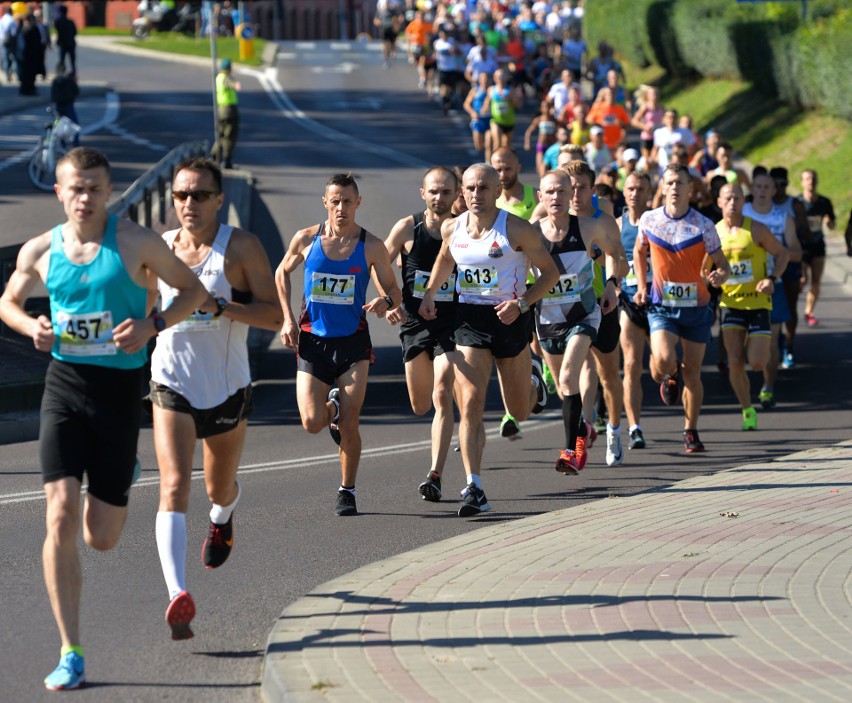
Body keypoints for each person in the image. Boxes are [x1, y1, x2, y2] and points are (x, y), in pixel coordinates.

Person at [0, 147, 206, 690]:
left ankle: (122, 474)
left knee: (102, 537)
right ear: (59, 192)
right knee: (60, 513)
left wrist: (152, 324)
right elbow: (8, 301)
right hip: (65, 388)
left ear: (108, 191)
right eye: (76, 187)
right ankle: (71, 650)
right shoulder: (42, 250)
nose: (85, 197)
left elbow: (195, 290)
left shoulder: (135, 242)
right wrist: (30, 328)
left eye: (95, 188)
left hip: (118, 394)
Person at [150, 158, 281, 640]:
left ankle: (222, 518)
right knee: (173, 484)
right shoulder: (159, 249)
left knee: (217, 489)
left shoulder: (240, 248)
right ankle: (177, 594)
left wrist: (221, 305)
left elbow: (273, 318)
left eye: (201, 195)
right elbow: (140, 309)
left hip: (226, 385)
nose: (190, 204)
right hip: (171, 381)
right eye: (182, 195)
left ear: (219, 200)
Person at [419, 163, 558, 516]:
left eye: (483, 188)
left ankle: (532, 382)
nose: (476, 195)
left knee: (518, 411)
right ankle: (474, 485)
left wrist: (523, 302)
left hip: (510, 318)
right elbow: (444, 260)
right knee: (470, 406)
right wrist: (430, 294)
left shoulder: (516, 228)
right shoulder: (453, 227)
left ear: (497, 191)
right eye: (470, 188)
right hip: (470, 322)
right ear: (461, 193)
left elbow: (551, 274)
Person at [275, 174, 402, 516]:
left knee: (351, 421)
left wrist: (384, 302)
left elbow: (393, 291)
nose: (341, 208)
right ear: (325, 202)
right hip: (313, 342)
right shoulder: (306, 238)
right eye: (335, 201)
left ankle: (347, 490)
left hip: (353, 344)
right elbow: (280, 273)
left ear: (358, 202)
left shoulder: (372, 246)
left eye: (348, 201)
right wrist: (287, 319)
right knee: (312, 423)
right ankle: (330, 409)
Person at [633, 162, 731, 453]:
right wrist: (641, 285)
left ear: (690, 189)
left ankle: (690, 430)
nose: (675, 188)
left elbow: (723, 266)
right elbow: (639, 252)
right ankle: (669, 373)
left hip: (697, 308)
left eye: (680, 183)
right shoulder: (650, 221)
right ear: (663, 187)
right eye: (670, 182)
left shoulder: (704, 225)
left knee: (694, 372)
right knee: (662, 359)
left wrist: (719, 276)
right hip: (663, 305)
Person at [532, 169, 622, 473]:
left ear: (572, 194)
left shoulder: (588, 227)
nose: (556, 197)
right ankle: (583, 426)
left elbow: (616, 255)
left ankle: (571, 450)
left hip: (584, 315)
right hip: (547, 319)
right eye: (550, 192)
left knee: (570, 376)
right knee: (562, 386)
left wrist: (610, 283)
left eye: (562, 191)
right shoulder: (530, 234)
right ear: (540, 197)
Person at [384, 167, 460, 502]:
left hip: (453, 323)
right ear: (423, 193)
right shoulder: (407, 227)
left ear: (456, 194)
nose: (439, 198)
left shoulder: (463, 228)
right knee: (419, 404)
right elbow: (379, 263)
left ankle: (435, 475)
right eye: (434, 192)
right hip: (415, 323)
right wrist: (391, 299)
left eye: (446, 192)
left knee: (442, 394)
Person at [563, 159, 628, 466]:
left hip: (601, 305)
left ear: (592, 189)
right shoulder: (550, 218)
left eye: (582, 188)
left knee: (607, 374)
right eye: (570, 187)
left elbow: (621, 260)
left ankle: (614, 429)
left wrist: (612, 283)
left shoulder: (602, 221)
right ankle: (580, 433)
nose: (575, 194)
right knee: (571, 376)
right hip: (565, 309)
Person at [716, 183, 790, 431]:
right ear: (719, 202)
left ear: (743, 202)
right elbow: (704, 267)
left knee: (757, 362)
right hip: (730, 304)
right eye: (728, 198)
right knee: (735, 359)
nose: (733, 202)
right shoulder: (713, 233)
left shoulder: (756, 229)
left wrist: (772, 279)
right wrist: (710, 278)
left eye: (737, 198)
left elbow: (783, 254)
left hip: (758, 302)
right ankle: (747, 408)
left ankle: (761, 374)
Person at [742, 172, 801, 409]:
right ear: (752, 189)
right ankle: (741, 381)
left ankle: (768, 386)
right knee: (746, 339)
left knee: (772, 339)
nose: (763, 190)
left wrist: (777, 251)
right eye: (758, 186)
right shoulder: (743, 212)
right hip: (743, 284)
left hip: (771, 283)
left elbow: (796, 252)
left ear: (774, 191)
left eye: (767, 186)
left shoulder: (783, 218)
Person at [617, 171, 653, 449]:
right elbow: (608, 259)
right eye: (630, 188)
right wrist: (614, 286)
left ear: (649, 193)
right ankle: (635, 427)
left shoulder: (658, 222)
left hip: (659, 301)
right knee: (630, 364)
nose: (634, 194)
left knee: (660, 366)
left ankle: (666, 374)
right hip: (628, 301)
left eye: (640, 189)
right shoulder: (617, 226)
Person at [769, 166, 808, 367]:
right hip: (766, 266)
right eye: (775, 184)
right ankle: (773, 343)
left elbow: (806, 235)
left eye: (783, 184)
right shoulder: (760, 205)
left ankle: (789, 345)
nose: (779, 188)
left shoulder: (795, 205)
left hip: (790, 263)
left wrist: (804, 268)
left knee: (791, 307)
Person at [798, 169, 836, 327]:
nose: (810, 182)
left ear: (817, 181)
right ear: (802, 182)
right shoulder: (797, 203)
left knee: (816, 281)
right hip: (802, 247)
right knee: (802, 279)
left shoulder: (824, 202)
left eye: (813, 179)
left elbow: (833, 224)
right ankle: (793, 301)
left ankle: (809, 312)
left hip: (818, 245)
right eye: (807, 179)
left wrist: (829, 223)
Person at [484, 67, 523, 151]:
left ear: (506, 78)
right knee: (497, 143)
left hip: (509, 121)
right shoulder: (491, 90)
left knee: (506, 147)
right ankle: (493, 163)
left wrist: (512, 100)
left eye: (502, 77)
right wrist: (484, 109)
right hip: (496, 120)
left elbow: (519, 105)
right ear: (495, 78)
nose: (500, 79)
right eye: (498, 77)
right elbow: (487, 101)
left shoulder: (510, 90)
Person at [213, 57, 239, 170]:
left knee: (221, 135)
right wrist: (235, 85)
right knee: (229, 136)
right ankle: (227, 160)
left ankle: (214, 155)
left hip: (221, 110)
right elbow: (229, 84)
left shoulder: (218, 77)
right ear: (228, 68)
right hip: (229, 110)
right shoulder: (226, 78)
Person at [523, 99, 558, 177]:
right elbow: (529, 132)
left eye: (548, 107)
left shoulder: (554, 120)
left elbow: (561, 129)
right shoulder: (538, 119)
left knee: (552, 166)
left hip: (551, 146)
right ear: (541, 108)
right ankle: (542, 180)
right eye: (544, 107)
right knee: (540, 166)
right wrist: (527, 143)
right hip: (542, 145)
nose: (546, 109)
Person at [463, 71, 492, 160]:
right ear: (479, 80)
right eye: (483, 79)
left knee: (488, 143)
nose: (485, 81)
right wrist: (473, 113)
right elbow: (466, 104)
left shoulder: (492, 90)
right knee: (478, 146)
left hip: (490, 119)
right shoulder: (475, 90)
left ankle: (488, 163)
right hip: (478, 120)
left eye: (487, 79)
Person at [631, 85, 664, 162]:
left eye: (656, 94)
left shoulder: (661, 107)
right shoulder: (645, 107)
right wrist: (645, 127)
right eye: (652, 94)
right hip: (647, 137)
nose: (654, 96)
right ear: (648, 96)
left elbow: (665, 120)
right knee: (648, 161)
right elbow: (634, 121)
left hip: (658, 138)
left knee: (658, 161)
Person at [51, 63, 80, 147]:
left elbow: (53, 95)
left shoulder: (55, 81)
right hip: (68, 105)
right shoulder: (69, 80)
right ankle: (76, 144)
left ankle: (62, 145)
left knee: (58, 125)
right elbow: (76, 91)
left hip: (58, 107)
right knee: (75, 125)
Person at [53, 3, 76, 74]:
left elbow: (56, 27)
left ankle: (61, 72)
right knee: (72, 60)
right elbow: (75, 32)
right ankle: (73, 71)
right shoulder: (70, 22)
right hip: (71, 43)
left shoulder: (58, 21)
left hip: (62, 43)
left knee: (62, 59)